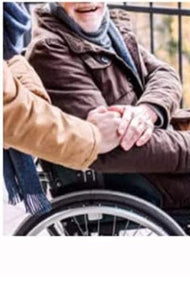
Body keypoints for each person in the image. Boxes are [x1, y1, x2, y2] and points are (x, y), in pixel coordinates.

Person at [25, 2, 190, 211]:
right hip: (140, 181)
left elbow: (164, 73)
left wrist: (148, 110)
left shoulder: (110, 28)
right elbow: (105, 149)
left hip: (157, 156)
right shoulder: (50, 50)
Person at [3, 3, 120, 212]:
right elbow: (10, 112)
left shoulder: (116, 25)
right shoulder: (49, 44)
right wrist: (92, 138)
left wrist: (150, 109)